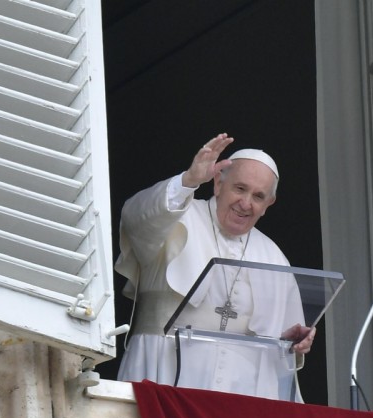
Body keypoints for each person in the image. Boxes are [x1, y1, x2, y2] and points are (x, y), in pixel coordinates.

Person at [114, 133, 316, 401]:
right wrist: (188, 181)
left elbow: (280, 351)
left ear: (268, 205)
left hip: (239, 392)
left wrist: (289, 342)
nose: (246, 204)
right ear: (218, 184)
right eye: (240, 189)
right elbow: (134, 217)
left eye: (258, 196)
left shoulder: (274, 257)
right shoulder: (177, 216)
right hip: (162, 370)